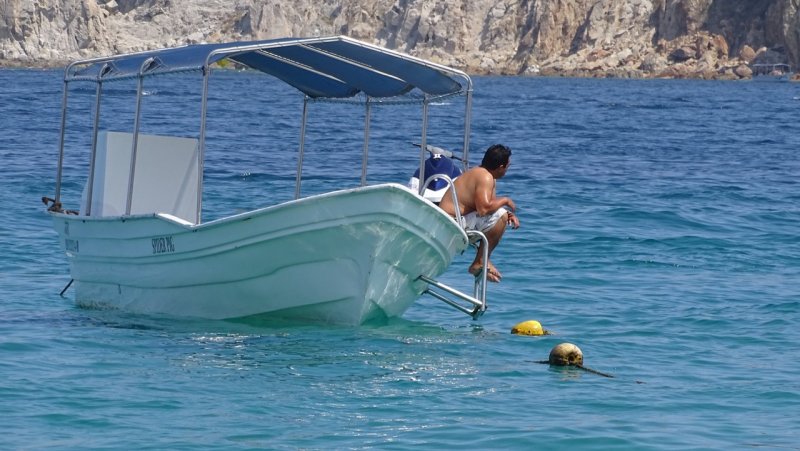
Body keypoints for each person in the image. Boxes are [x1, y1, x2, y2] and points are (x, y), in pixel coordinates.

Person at [438, 144, 519, 282]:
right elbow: (484, 210)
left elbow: (488, 206)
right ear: (501, 167)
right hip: (451, 223)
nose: (507, 170)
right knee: (502, 217)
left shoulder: (481, 173)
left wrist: (506, 212)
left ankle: (483, 260)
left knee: (502, 215)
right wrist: (506, 201)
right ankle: (480, 262)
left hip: (448, 221)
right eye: (508, 166)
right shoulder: (485, 177)